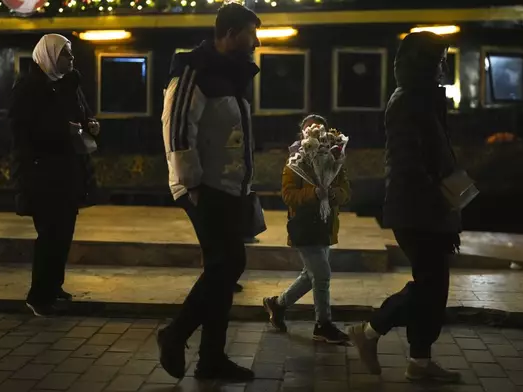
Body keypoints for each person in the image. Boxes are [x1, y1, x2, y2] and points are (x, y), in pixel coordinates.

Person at [347, 32, 462, 383]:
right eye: (439, 60)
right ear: (423, 63)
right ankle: (369, 331)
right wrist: (443, 196)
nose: (444, 67)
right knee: (429, 284)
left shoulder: (423, 98)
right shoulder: (409, 101)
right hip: (417, 208)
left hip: (429, 206)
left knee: (434, 285)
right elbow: (411, 163)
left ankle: (420, 361)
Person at [158, 3, 260, 381]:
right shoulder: (194, 70)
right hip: (203, 186)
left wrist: (245, 183)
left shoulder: (231, 74)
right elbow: (177, 128)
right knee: (228, 264)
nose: (256, 42)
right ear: (231, 34)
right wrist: (193, 181)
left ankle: (211, 358)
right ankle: (176, 334)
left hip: (229, 185)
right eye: (251, 34)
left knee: (224, 268)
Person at [9, 34, 99, 317]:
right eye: (66, 55)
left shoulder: (69, 84)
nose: (72, 59)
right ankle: (39, 296)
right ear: (49, 56)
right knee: (50, 234)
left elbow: (81, 114)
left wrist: (89, 124)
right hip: (41, 174)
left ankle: (54, 287)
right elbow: (25, 132)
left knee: (64, 234)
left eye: (71, 54)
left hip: (68, 171)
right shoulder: (28, 89)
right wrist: (66, 130)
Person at [263, 114, 351, 344]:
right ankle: (323, 324)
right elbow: (288, 195)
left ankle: (277, 304)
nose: (316, 134)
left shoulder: (333, 160)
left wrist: (332, 194)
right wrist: (313, 193)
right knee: (321, 274)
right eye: (310, 130)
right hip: (305, 227)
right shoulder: (295, 163)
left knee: (309, 275)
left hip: (325, 226)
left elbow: (345, 190)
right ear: (302, 135)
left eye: (320, 131)